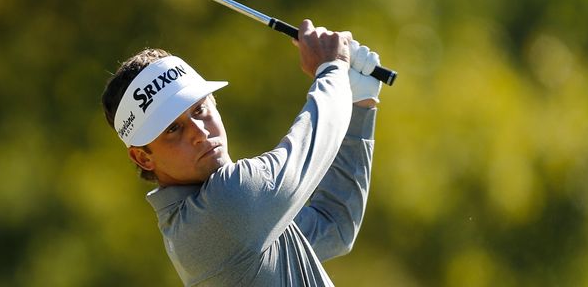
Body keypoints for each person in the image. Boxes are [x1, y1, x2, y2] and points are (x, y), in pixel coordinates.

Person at [101, 19, 382, 286]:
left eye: (199, 109)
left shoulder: (213, 219)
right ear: (143, 157)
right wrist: (332, 69)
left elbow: (333, 227)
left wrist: (359, 104)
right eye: (173, 129)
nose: (199, 132)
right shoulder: (224, 205)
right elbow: (316, 140)